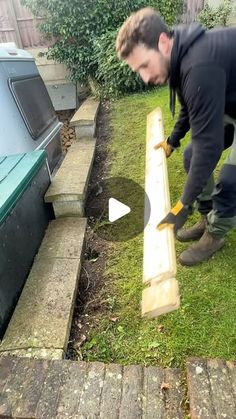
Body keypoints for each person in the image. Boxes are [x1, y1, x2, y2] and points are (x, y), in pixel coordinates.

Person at [115, 7, 236, 266]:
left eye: (145, 65)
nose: (145, 77)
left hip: (228, 100)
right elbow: (189, 107)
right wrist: (173, 140)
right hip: (227, 100)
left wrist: (181, 205)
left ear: (162, 42)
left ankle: (215, 235)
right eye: (138, 70)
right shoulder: (179, 54)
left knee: (230, 178)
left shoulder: (199, 65)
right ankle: (206, 218)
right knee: (191, 155)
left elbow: (210, 146)